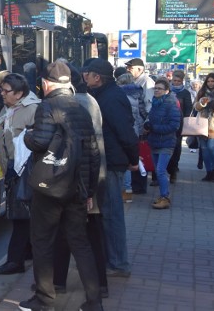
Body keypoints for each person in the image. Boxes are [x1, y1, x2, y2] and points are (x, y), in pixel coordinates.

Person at [20, 61, 103, 311]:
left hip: (50, 188)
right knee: (80, 243)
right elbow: (93, 153)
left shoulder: (47, 106)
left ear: (46, 83)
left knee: (42, 241)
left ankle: (45, 299)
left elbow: (39, 142)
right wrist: (89, 191)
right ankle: (94, 302)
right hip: (77, 188)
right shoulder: (81, 108)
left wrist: (26, 134)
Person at [53, 63, 109, 299]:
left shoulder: (77, 103)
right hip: (93, 172)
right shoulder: (90, 100)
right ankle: (97, 284)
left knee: (76, 232)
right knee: (88, 230)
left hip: (83, 175)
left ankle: (62, 283)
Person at [84, 58, 139, 278]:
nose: (83, 77)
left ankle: (118, 263)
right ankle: (111, 260)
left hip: (112, 162)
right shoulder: (104, 95)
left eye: (86, 73)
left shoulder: (112, 97)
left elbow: (125, 132)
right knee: (106, 213)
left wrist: (134, 159)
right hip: (109, 160)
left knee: (112, 214)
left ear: (97, 77)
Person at [0, 73, 40, 275]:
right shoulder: (8, 108)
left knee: (20, 217)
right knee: (24, 216)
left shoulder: (33, 109)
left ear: (19, 94)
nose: (2, 94)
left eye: (6, 91)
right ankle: (27, 252)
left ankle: (15, 261)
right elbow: (4, 134)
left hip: (24, 170)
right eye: (1, 90)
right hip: (11, 168)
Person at [144, 78, 181, 209]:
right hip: (154, 142)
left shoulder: (171, 104)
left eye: (159, 88)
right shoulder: (155, 103)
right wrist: (147, 125)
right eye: (155, 88)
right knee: (158, 170)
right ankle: (162, 195)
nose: (157, 91)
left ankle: (165, 197)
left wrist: (154, 128)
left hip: (167, 142)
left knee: (160, 171)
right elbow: (151, 119)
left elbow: (174, 125)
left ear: (166, 91)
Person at [115, 72, 147, 199]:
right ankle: (129, 190)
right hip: (135, 130)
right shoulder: (137, 94)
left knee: (124, 161)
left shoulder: (120, 95)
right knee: (132, 159)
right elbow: (142, 113)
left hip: (124, 129)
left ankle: (124, 189)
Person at [168, 70, 193, 183]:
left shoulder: (185, 93)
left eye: (178, 81)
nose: (176, 83)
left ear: (182, 81)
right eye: (174, 80)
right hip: (167, 122)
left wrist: (185, 120)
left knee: (177, 146)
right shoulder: (167, 90)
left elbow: (188, 109)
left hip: (179, 124)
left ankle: (174, 167)